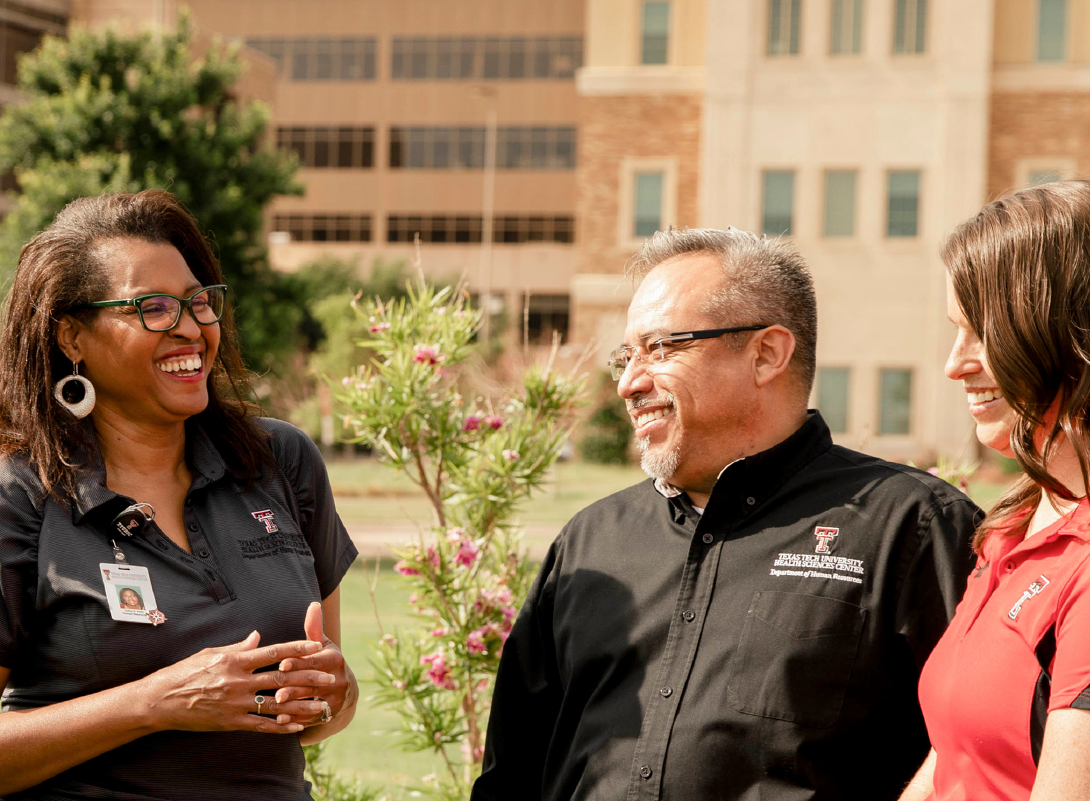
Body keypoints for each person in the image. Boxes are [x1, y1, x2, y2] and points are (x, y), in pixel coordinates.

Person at [472, 227, 981, 801]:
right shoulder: (590, 542)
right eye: (626, 355)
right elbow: (512, 772)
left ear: (766, 353)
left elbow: (982, 755)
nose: (627, 383)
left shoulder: (912, 528)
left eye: (661, 348)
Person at [0, 190, 360, 799]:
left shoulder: (280, 461)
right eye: (153, 308)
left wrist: (333, 695)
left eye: (198, 302)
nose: (190, 328)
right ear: (72, 338)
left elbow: (319, 714)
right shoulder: (23, 495)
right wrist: (151, 703)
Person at [901, 180, 1090, 801]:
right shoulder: (1011, 529)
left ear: (1063, 337)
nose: (955, 364)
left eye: (982, 332)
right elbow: (955, 759)